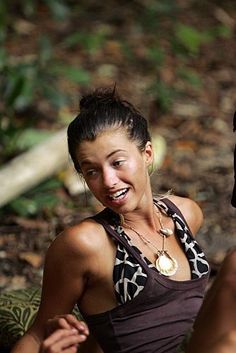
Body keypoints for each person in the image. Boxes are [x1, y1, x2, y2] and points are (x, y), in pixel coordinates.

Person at [11, 87, 236, 353]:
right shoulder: (85, 244)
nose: (108, 181)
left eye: (117, 162)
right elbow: (37, 336)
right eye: (92, 171)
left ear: (147, 154)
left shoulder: (186, 213)